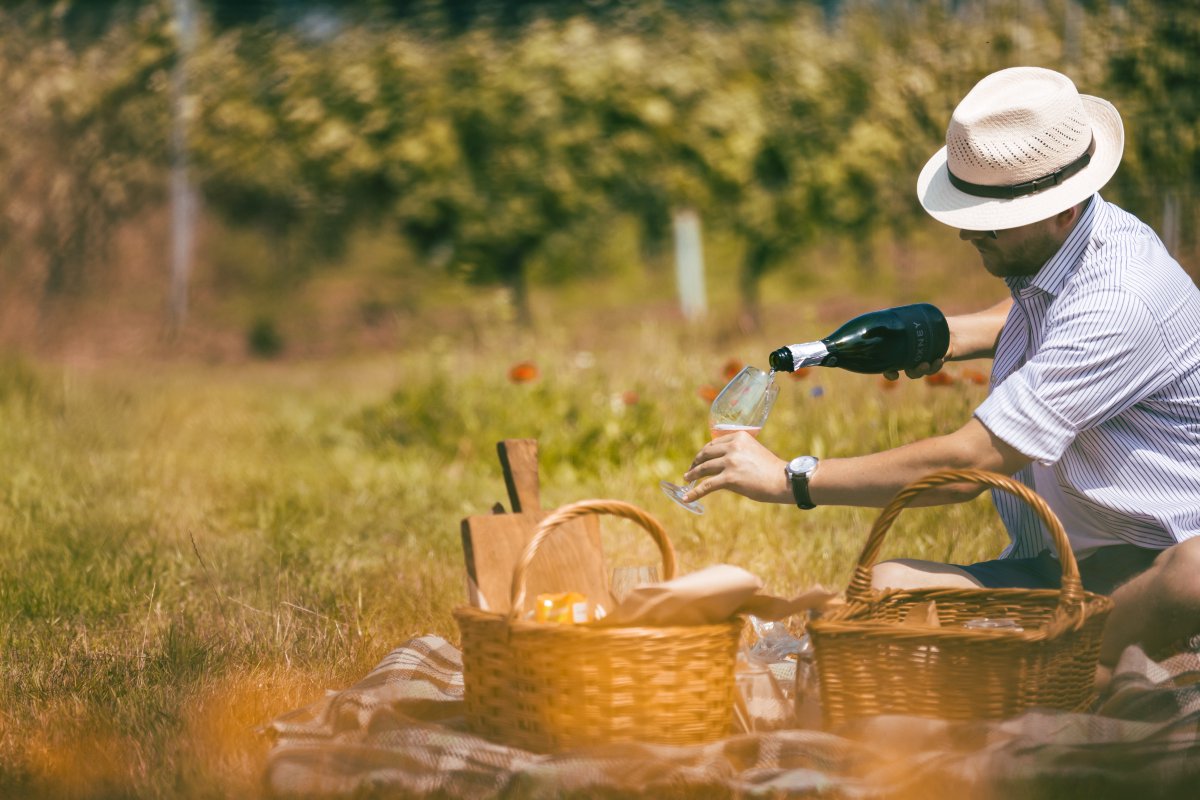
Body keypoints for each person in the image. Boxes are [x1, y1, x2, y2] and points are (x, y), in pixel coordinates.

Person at [680, 66, 1200, 683]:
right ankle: (1037, 665)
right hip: (1063, 571)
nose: (964, 231)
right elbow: (1039, 309)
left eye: (989, 218)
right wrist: (943, 335)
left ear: (1061, 209)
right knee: (890, 583)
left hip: (1148, 569)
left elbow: (969, 466)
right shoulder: (1087, 241)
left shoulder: (1122, 298)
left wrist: (791, 479)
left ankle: (1055, 670)